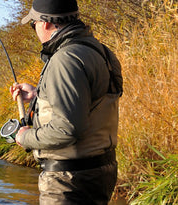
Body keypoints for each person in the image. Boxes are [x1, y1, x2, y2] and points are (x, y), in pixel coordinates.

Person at [9, 0, 123, 204]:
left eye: (32, 23)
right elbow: (92, 102)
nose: (34, 28)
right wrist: (37, 95)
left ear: (44, 23)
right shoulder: (101, 52)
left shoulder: (65, 59)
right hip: (101, 171)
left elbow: (66, 129)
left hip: (69, 180)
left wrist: (26, 137)